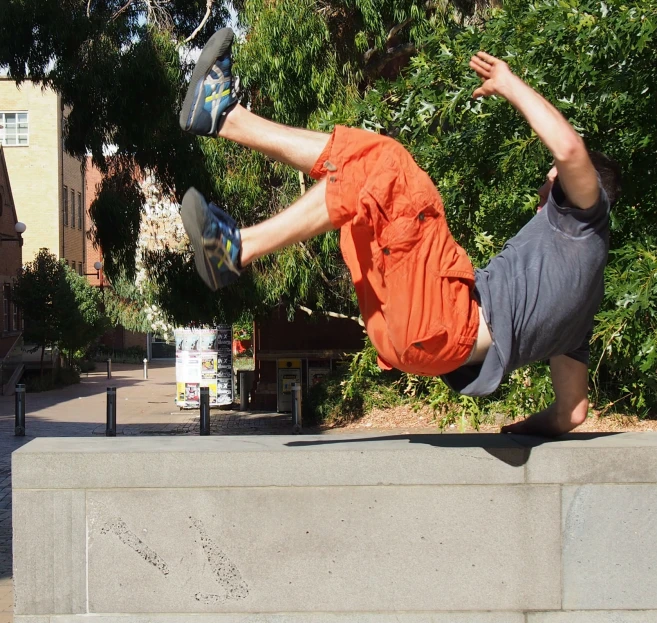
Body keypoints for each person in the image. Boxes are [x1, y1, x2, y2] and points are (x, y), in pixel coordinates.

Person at [178, 28, 621, 437]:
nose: (544, 189)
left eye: (551, 180)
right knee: (360, 182)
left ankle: (228, 157)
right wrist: (513, 433)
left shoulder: (584, 217)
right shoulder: (586, 307)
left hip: (445, 322)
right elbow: (572, 412)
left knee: (387, 163)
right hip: (414, 341)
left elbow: (567, 148)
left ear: (584, 188)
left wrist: (509, 83)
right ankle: (227, 153)